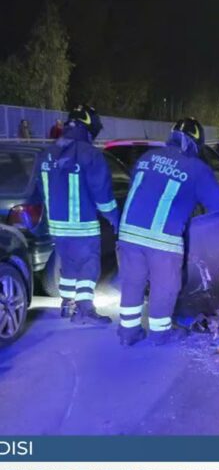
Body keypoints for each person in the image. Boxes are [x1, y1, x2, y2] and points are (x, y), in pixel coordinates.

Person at [117, 118, 219, 347]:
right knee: (165, 287)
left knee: (132, 283)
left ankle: (128, 332)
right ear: (196, 143)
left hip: (128, 233)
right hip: (162, 239)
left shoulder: (147, 158)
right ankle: (160, 334)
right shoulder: (196, 168)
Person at [38, 105, 120, 325]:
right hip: (83, 226)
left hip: (56, 227)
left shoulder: (46, 153)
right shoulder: (90, 154)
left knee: (69, 264)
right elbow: (103, 195)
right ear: (89, 127)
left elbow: (40, 190)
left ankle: (67, 305)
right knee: (88, 266)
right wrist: (115, 219)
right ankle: (85, 311)